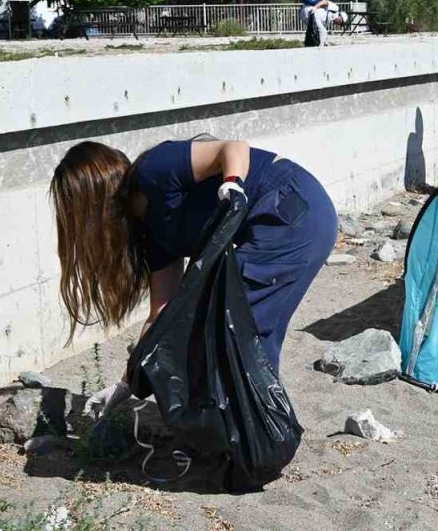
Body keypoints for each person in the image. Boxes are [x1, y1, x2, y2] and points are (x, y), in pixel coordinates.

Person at [53, 138, 338, 418]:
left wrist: (232, 182)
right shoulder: (151, 232)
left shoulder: (155, 169)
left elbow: (234, 147)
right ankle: (255, 432)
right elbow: (161, 313)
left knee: (230, 328)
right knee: (239, 332)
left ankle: (253, 433)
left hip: (292, 210)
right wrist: (126, 383)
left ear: (94, 200)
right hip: (288, 221)